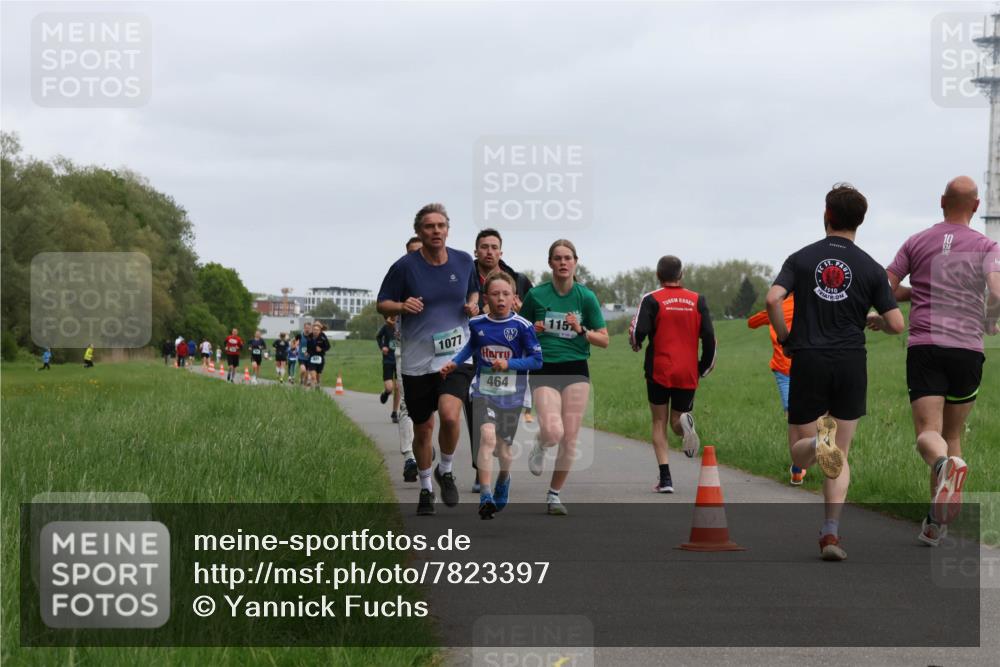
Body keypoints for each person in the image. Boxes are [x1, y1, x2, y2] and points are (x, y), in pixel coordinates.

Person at [765, 183, 904, 561]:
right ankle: (830, 534)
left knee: (801, 451)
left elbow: (773, 298)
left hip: (808, 358)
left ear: (826, 215)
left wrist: (783, 334)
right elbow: (897, 324)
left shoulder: (801, 259)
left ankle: (816, 444)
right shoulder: (872, 268)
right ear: (860, 221)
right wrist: (873, 321)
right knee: (839, 453)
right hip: (849, 362)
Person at [875, 176, 1000, 546]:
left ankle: (943, 470)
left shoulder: (917, 241)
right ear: (976, 207)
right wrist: (991, 320)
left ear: (941, 201)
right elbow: (996, 290)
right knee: (953, 435)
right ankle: (935, 523)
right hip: (967, 349)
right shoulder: (987, 244)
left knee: (930, 435)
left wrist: (915, 294)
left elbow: (885, 286)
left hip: (926, 346)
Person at [377, 203, 479, 516]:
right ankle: (425, 488)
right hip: (417, 360)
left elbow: (474, 292)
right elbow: (382, 304)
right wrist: (401, 306)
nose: (436, 231)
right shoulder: (405, 267)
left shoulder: (463, 261)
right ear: (419, 231)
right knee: (423, 429)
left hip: (456, 354)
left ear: (448, 229)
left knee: (450, 416)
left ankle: (445, 469)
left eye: (441, 225)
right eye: (429, 227)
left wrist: (473, 306)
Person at [442, 271, 543, 519]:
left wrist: (509, 365)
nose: (500, 299)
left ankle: (504, 478)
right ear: (486, 297)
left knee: (503, 449)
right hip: (482, 390)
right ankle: (486, 495)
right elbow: (470, 347)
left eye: (506, 294)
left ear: (514, 298)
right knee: (487, 438)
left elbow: (536, 360)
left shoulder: (522, 326)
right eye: (495, 294)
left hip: (512, 394)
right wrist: (455, 363)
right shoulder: (477, 324)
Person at [520, 239, 609, 515]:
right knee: (553, 431)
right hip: (544, 367)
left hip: (576, 368)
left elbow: (604, 340)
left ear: (575, 262)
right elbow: (519, 332)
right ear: (550, 263)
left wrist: (581, 330)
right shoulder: (536, 296)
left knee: (570, 437)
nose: (563, 262)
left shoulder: (586, 297)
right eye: (557, 258)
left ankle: (554, 494)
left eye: (567, 258)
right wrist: (531, 330)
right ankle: (540, 445)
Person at [629, 255, 716, 493]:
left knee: (659, 422)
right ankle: (686, 426)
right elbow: (709, 337)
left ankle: (666, 479)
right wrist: (703, 368)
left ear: (658, 275)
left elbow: (638, 332)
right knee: (677, 420)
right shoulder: (698, 300)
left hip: (659, 369)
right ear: (681, 275)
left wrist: (635, 343)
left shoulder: (651, 299)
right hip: (687, 371)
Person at [469, 228, 536, 492]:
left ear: (501, 252)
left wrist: (519, 311)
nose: (489, 251)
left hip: (509, 371)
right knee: (481, 424)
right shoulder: (465, 277)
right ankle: (480, 472)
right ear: (476, 251)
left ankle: (502, 476)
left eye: (494, 247)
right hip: (476, 359)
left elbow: (529, 318)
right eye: (484, 246)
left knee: (503, 442)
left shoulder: (518, 279)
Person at [747, 295, 804, 485]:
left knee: (792, 416)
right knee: (814, 413)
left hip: (783, 369)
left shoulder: (776, 307)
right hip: (809, 365)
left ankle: (797, 466)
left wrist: (769, 317)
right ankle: (811, 448)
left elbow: (751, 323)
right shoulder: (810, 304)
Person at [396, 236, 423, 482]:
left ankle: (423, 444)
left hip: (438, 350)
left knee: (434, 406)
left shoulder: (443, 276)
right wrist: (398, 308)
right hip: (406, 348)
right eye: (411, 253)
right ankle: (409, 458)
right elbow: (384, 306)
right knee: (407, 403)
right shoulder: (399, 276)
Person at [376, 316, 401, 419]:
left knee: (398, 387)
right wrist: (382, 347)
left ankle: (395, 412)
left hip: (399, 359)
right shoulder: (386, 327)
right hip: (388, 360)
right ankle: (386, 393)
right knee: (390, 388)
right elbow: (378, 337)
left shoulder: (402, 327)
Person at [306, 321, 330, 387]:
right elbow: (308, 346)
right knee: (313, 376)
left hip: (320, 357)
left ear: (320, 331)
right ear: (312, 330)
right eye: (314, 330)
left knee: (318, 375)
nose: (315, 331)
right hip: (312, 358)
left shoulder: (323, 337)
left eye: (317, 330)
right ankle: (313, 385)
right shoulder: (310, 336)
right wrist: (307, 352)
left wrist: (321, 349)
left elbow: (328, 346)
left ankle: (318, 386)